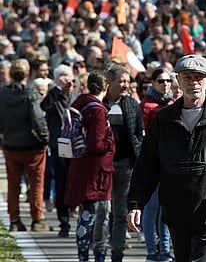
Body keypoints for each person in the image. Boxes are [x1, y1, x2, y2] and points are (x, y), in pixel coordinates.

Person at [127, 54, 206, 262]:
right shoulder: (165, 119)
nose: (193, 82)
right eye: (187, 77)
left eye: (198, 77)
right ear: (179, 80)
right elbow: (147, 165)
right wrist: (136, 203)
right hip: (176, 210)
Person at [96, 63, 145, 262]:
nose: (125, 85)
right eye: (121, 81)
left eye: (127, 81)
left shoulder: (132, 104)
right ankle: (99, 251)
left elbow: (139, 133)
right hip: (101, 166)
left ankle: (117, 254)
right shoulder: (100, 104)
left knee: (120, 212)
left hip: (124, 165)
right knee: (101, 211)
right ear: (110, 83)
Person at [64, 70, 115, 262]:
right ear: (106, 87)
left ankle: (82, 255)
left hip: (80, 164)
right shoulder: (98, 110)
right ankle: (90, 257)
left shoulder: (80, 103)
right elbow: (96, 144)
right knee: (94, 216)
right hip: (96, 171)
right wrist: (110, 142)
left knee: (85, 215)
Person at [0, 58, 50, 232]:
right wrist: (45, 139)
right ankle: (37, 219)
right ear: (28, 74)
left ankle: (14, 220)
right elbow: (37, 119)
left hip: (10, 144)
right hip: (32, 145)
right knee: (36, 183)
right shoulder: (31, 94)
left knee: (13, 184)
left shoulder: (2, 93)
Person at [139, 67, 175, 262]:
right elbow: (142, 136)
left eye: (168, 80)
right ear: (153, 83)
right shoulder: (146, 105)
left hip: (170, 164)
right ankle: (151, 250)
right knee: (151, 208)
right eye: (161, 81)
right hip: (153, 164)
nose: (165, 84)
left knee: (166, 209)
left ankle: (165, 249)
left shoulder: (174, 102)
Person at [40, 64, 76, 237]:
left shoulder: (76, 96)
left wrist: (69, 91)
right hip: (58, 145)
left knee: (75, 181)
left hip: (76, 145)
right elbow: (44, 107)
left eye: (68, 75)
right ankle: (64, 222)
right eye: (62, 76)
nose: (66, 79)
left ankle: (78, 213)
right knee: (61, 182)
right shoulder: (53, 96)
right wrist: (57, 90)